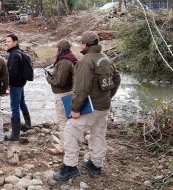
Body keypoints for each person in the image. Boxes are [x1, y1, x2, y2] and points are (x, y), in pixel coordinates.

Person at [53, 31, 121, 181]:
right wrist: (109, 96)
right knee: (98, 134)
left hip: (91, 107)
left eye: (81, 43)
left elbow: (81, 89)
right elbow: (117, 79)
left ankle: (70, 167)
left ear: (85, 45)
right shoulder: (105, 58)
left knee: (70, 129)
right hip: (104, 106)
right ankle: (96, 166)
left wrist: (75, 109)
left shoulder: (86, 61)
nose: (80, 46)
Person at [45, 39, 78, 155]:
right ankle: (69, 145)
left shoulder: (64, 62)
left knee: (63, 123)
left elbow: (60, 82)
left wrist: (48, 78)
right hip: (68, 93)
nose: (55, 50)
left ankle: (63, 148)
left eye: (57, 47)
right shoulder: (70, 59)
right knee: (69, 122)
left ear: (60, 49)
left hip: (62, 95)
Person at [4, 33, 32, 141]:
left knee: (14, 107)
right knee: (21, 102)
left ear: (15, 42)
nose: (7, 43)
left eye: (9, 41)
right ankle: (28, 124)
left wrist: (7, 85)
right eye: (6, 41)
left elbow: (13, 73)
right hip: (21, 83)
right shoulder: (19, 52)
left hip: (16, 84)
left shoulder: (14, 54)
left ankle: (15, 135)